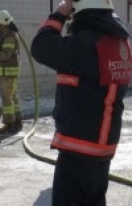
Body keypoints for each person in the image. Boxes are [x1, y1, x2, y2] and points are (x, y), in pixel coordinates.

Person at [31, 0, 132, 205]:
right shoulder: (120, 42)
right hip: (103, 147)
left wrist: (60, 13)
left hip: (78, 148)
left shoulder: (85, 44)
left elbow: (41, 46)